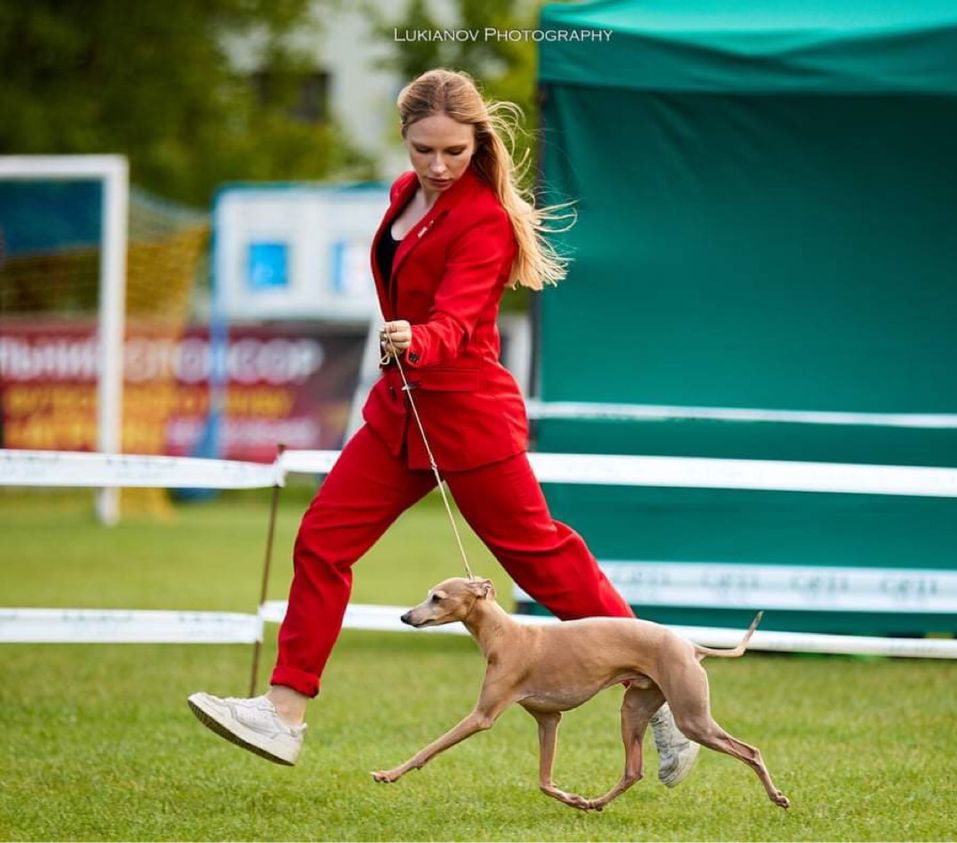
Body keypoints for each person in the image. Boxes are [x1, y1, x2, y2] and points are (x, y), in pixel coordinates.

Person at [188, 67, 699, 787]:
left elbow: (458, 320)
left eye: (454, 151)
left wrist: (416, 338)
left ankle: (669, 693)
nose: (438, 165)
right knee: (322, 538)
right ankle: (284, 713)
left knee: (545, 560)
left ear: (475, 142)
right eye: (424, 149)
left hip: (468, 417)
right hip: (400, 417)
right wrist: (404, 347)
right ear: (404, 138)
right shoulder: (403, 196)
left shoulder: (484, 218)